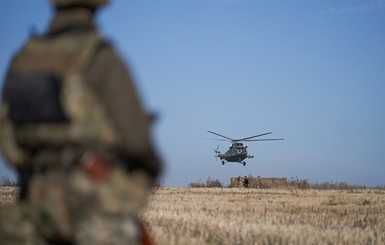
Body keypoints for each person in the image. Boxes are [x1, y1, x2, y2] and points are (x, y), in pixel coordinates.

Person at [0, 0, 163, 244]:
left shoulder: (20, 62)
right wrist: (148, 171)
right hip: (92, 211)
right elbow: (138, 142)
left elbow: (8, 140)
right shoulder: (103, 60)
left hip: (32, 211)